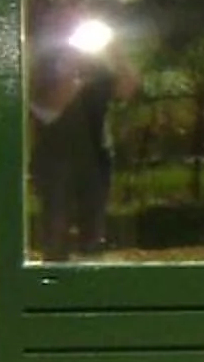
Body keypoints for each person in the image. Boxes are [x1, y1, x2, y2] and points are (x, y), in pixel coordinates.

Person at [28, 16, 136, 258]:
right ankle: (54, 286)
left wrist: (117, 55)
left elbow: (127, 90)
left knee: (93, 233)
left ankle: (90, 285)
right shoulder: (45, 67)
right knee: (56, 231)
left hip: (95, 159)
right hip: (55, 159)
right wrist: (72, 67)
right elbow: (48, 111)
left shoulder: (100, 70)